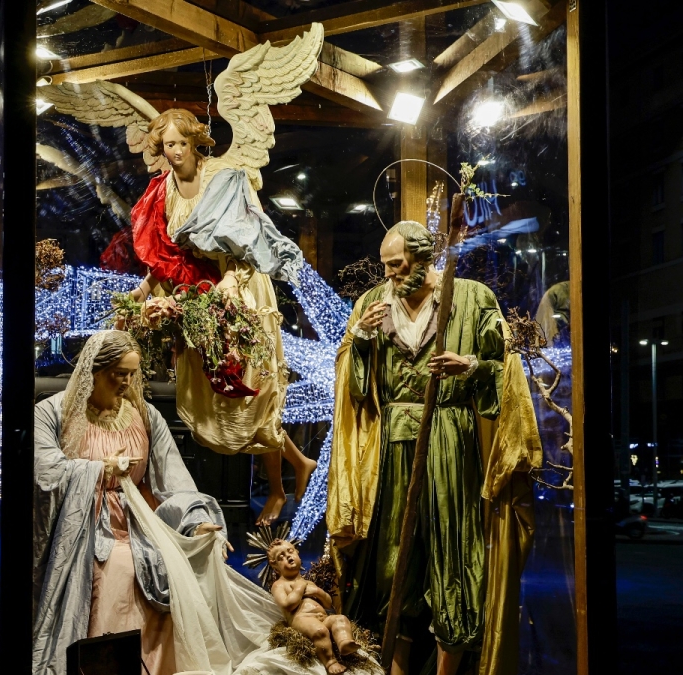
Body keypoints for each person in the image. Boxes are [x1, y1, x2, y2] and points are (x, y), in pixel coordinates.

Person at [328, 221, 542, 675]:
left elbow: (503, 366)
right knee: (392, 553)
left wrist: (469, 365)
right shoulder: (372, 303)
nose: (387, 275)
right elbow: (353, 378)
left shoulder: (470, 297)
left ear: (422, 258)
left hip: (449, 434)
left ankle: (450, 662)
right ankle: (397, 661)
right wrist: (362, 340)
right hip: (392, 443)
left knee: (453, 545)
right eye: (384, 266)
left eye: (395, 265)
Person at [33, 330, 284, 675]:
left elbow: (173, 478)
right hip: (82, 524)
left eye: (132, 373)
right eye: (118, 373)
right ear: (94, 370)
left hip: (138, 521)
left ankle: (161, 665)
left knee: (173, 566)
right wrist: (98, 469)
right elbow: (45, 469)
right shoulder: (53, 413)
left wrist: (195, 520)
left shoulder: (144, 414)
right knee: (120, 570)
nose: (126, 382)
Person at [127, 108, 315, 526]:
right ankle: (299, 464)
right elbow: (165, 254)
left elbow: (247, 236)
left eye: (180, 143)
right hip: (200, 295)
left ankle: (280, 488)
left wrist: (230, 279)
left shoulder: (225, 177)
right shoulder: (164, 190)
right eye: (167, 146)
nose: (173, 153)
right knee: (220, 400)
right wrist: (142, 291)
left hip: (241, 287)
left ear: (195, 141)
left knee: (254, 391)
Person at [268, 539, 359, 675]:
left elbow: (328, 603)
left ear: (298, 554)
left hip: (322, 617)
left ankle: (344, 643)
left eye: (290, 551)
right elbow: (288, 605)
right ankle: (330, 662)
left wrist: (318, 592)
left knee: (340, 619)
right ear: (275, 566)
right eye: (281, 557)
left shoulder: (309, 582)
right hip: (302, 619)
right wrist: (299, 587)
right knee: (319, 631)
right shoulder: (279, 585)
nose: (287, 556)